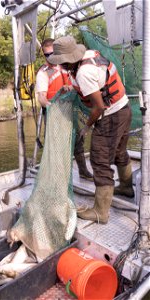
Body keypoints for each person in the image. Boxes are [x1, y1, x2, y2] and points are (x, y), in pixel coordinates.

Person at [47, 36, 134, 224]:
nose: (60, 66)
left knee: (99, 160)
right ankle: (127, 187)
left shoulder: (83, 72)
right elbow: (98, 82)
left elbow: (99, 107)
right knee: (119, 151)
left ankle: (100, 212)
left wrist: (86, 127)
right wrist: (71, 87)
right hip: (124, 109)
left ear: (68, 60)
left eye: (61, 62)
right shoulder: (90, 56)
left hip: (110, 116)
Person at [36, 38, 93, 180]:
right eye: (46, 55)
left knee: (78, 141)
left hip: (71, 111)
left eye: (52, 54)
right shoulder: (43, 73)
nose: (50, 57)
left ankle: (83, 171)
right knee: (57, 148)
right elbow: (41, 98)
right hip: (54, 113)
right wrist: (50, 106)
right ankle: (57, 179)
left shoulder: (67, 66)